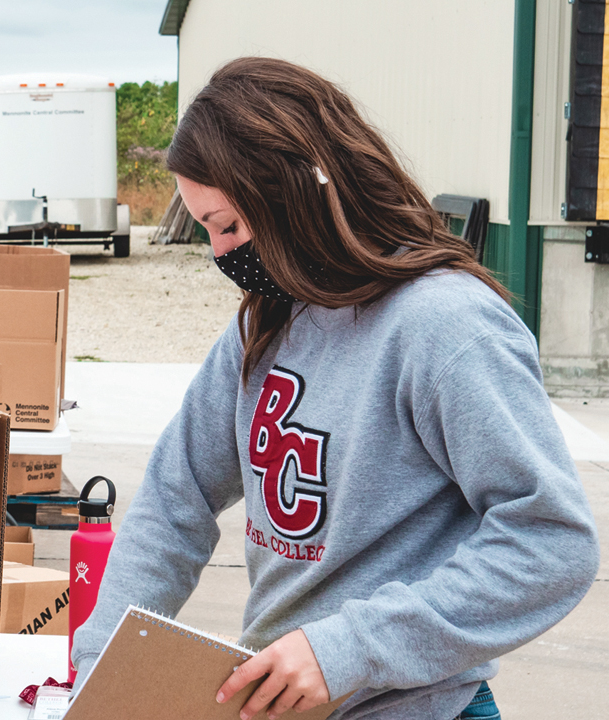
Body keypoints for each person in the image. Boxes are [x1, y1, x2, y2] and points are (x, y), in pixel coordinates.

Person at [71, 57, 599, 720]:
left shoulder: (444, 324)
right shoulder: (269, 320)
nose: (217, 254)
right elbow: (175, 500)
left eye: (229, 226)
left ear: (297, 193)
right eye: (206, 228)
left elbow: (551, 542)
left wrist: (346, 649)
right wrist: (102, 674)